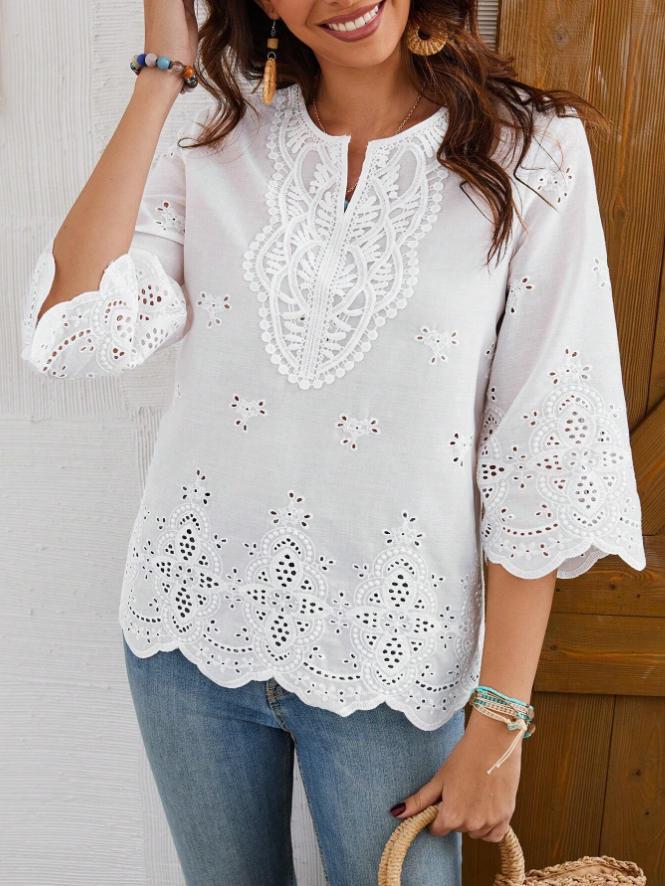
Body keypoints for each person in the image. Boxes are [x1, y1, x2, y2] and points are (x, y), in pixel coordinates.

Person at [20, 1, 647, 884]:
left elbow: (542, 451)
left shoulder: (531, 150)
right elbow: (70, 332)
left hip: (392, 658)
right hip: (188, 633)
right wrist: (161, 76)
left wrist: (501, 719)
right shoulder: (214, 142)